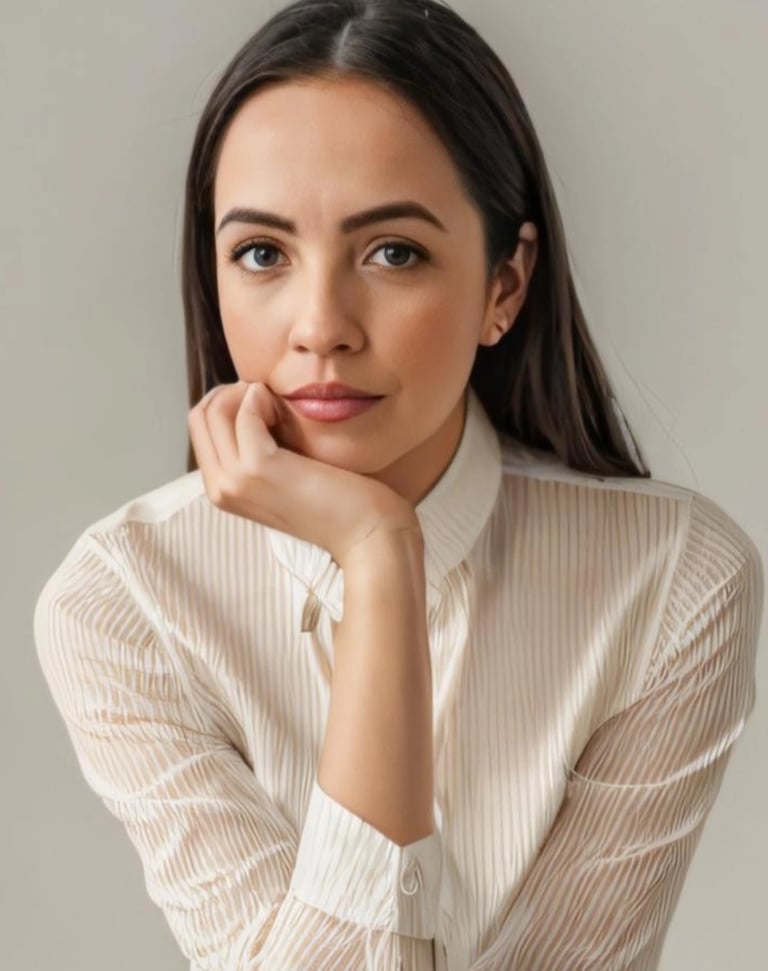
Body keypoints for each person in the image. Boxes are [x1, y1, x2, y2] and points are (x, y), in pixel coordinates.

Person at [33, 1, 764, 969]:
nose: (320, 324)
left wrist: (379, 556)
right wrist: (379, 557)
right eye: (262, 253)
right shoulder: (125, 604)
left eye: (393, 252)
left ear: (506, 284)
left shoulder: (672, 582)